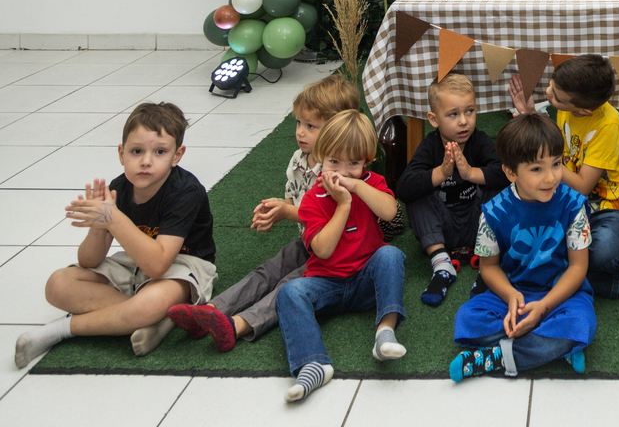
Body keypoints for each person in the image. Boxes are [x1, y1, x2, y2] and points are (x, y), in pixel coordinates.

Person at [165, 75, 360, 351]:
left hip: (335, 252)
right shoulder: (298, 160)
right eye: (298, 123)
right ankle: (210, 311)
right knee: (267, 271)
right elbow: (295, 201)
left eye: (311, 126)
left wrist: (287, 213)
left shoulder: (339, 172)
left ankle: (236, 325)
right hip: (308, 241)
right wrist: (279, 209)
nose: (300, 132)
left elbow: (328, 219)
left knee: (288, 284)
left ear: (337, 131)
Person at [15, 103, 215, 368]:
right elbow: (89, 260)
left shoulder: (185, 191)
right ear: (122, 154)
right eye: (136, 151)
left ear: (177, 156)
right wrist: (99, 224)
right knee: (58, 284)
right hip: (134, 263)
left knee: (148, 302)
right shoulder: (118, 188)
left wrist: (114, 219)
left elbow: (158, 265)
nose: (145, 161)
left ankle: (62, 329)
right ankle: (150, 320)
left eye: (159, 152)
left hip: (183, 265)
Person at [449, 114, 595, 380]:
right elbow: (489, 268)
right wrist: (510, 296)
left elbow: (578, 267)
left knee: (581, 322)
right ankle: (553, 346)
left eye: (557, 164)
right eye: (537, 169)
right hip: (513, 293)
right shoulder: (494, 212)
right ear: (510, 172)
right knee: (467, 319)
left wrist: (545, 307)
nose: (551, 177)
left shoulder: (573, 204)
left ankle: (495, 358)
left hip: (560, 295)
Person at [275, 110, 407, 402]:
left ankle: (385, 332)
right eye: (334, 162)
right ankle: (313, 364)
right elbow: (322, 249)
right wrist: (343, 205)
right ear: (322, 157)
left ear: (366, 162)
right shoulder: (313, 198)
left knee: (391, 254)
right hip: (326, 283)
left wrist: (358, 187)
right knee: (288, 294)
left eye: (353, 164)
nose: (342, 172)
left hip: (365, 281)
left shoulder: (370, 182)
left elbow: (389, 212)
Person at [508, 54, 619, 317]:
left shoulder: (607, 125)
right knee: (530, 242)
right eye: (551, 85)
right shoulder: (567, 104)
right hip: (570, 204)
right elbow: (558, 142)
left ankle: (574, 279)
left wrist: (547, 162)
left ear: (585, 110)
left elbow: (583, 186)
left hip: (612, 210)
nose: (549, 94)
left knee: (601, 254)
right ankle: (605, 282)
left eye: (557, 96)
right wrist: (529, 112)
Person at [395, 73, 507, 307]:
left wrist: (470, 173)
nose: (464, 121)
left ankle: (487, 262)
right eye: (453, 114)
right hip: (442, 229)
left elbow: (506, 173)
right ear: (434, 119)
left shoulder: (480, 141)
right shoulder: (430, 146)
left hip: (480, 226)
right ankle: (441, 263)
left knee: (502, 188)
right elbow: (403, 189)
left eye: (469, 111)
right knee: (416, 193)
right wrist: (442, 173)